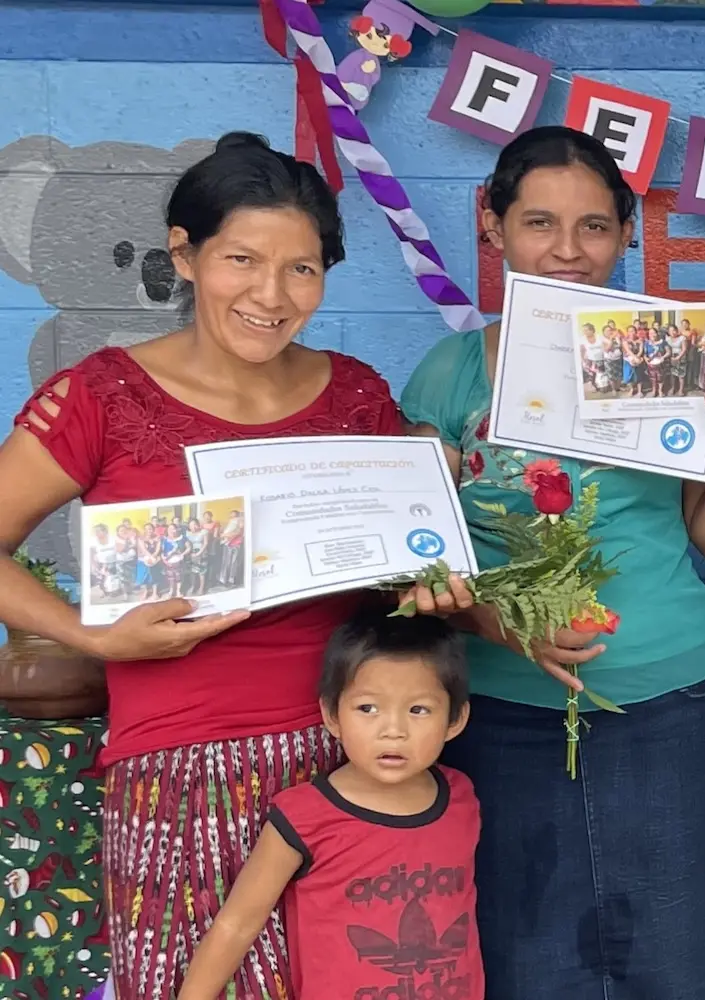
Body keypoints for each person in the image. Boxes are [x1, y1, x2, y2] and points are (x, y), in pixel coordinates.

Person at [0, 131, 470, 1000]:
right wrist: (90, 635)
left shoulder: (357, 396)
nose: (271, 294)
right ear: (184, 253)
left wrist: (427, 583)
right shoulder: (101, 396)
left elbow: (396, 574)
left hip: (352, 767)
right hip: (178, 774)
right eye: (242, 260)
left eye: (302, 269)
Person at [400, 125, 705, 999]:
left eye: (594, 226)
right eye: (539, 223)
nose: (567, 250)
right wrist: (502, 624)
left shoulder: (667, 359)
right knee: (530, 955)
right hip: (500, 702)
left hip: (666, 693)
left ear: (629, 233)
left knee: (678, 958)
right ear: (493, 227)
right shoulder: (448, 376)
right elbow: (410, 565)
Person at [175, 615, 483, 1000]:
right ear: (332, 715)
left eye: (418, 710)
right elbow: (237, 924)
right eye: (368, 708)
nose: (393, 729)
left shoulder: (460, 796)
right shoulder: (305, 816)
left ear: (455, 720)